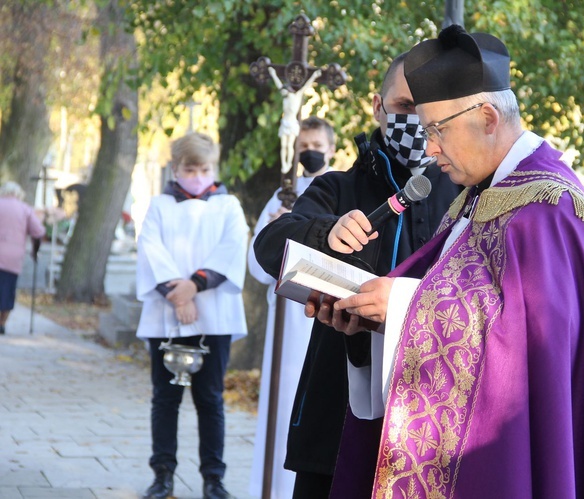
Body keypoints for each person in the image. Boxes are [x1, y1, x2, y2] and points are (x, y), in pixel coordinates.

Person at [319, 25, 584, 498]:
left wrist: (401, 306)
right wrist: (369, 324)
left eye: (436, 130)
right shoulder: (476, 201)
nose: (429, 149)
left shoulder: (548, 210)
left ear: (487, 116)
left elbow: (532, 350)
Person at [253, 52, 462, 498]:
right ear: (377, 106)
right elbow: (271, 245)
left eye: (429, 109)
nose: (418, 119)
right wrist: (327, 231)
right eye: (405, 106)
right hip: (337, 411)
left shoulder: (469, 195)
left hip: (433, 414)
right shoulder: (338, 187)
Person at [136, 132, 249, 499]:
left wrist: (195, 286)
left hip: (213, 313)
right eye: (190, 168)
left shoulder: (228, 205)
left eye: (204, 168)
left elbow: (233, 246)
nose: (198, 175)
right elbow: (150, 248)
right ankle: (163, 474)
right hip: (167, 312)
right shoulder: (159, 205)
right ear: (176, 168)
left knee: (210, 398)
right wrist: (177, 294)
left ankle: (213, 478)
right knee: (165, 398)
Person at [247, 116, 337, 499]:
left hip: (320, 318)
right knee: (279, 405)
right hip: (284, 321)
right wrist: (276, 232)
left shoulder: (337, 189)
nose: (310, 153)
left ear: (331, 148)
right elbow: (255, 262)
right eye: (303, 147)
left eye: (316, 145)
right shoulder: (283, 195)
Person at [0, 181, 45, 335]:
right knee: (7, 289)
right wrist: (34, 250)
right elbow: (38, 233)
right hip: (12, 257)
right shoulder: (24, 209)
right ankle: (2, 322)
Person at [268, 66, 323, 175]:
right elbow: (279, 85)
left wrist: (314, 76)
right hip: (285, 122)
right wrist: (273, 74)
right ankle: (284, 164)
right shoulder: (285, 97)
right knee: (283, 145)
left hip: (292, 123)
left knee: (289, 145)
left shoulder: (297, 96)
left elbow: (306, 85)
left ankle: (289, 163)